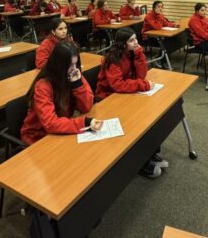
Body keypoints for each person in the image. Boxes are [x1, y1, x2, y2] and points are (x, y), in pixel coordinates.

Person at [95, 28, 167, 178]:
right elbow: (118, 85)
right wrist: (143, 85)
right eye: (132, 40)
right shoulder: (112, 59)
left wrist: (139, 54)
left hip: (123, 95)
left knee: (148, 117)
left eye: (136, 39)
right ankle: (140, 163)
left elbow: (141, 75)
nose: (136, 43)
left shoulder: (132, 53)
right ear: (122, 43)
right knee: (135, 123)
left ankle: (149, 154)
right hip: (108, 98)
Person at [21, 42, 101, 145]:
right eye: (70, 65)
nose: (74, 68)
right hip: (39, 137)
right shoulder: (43, 86)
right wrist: (83, 123)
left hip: (59, 130)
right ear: (59, 66)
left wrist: (78, 85)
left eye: (75, 64)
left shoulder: (73, 74)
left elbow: (87, 106)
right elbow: (50, 123)